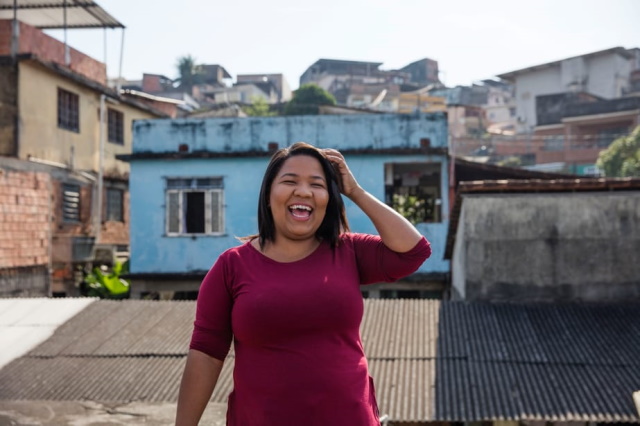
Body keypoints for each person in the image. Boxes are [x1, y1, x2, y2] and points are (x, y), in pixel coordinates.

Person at [175, 142, 431, 426]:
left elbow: (414, 251)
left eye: (317, 184)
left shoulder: (348, 251)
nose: (304, 191)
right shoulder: (231, 266)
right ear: (269, 195)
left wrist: (355, 191)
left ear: (329, 198)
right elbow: (205, 353)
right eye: (290, 181)